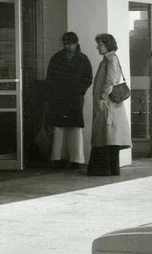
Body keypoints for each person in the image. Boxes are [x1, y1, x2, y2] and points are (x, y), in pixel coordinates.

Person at [44, 32, 92, 168]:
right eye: (65, 44)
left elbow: (88, 78)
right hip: (61, 96)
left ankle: (73, 159)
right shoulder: (77, 58)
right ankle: (61, 158)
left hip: (73, 97)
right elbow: (50, 79)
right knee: (61, 128)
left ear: (76, 43)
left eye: (69, 43)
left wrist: (79, 91)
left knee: (73, 128)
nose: (67, 46)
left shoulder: (80, 59)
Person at [89, 33, 131, 176]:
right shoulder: (108, 59)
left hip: (108, 104)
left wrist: (102, 97)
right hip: (109, 104)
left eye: (100, 44)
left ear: (107, 45)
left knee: (106, 136)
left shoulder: (110, 59)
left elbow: (110, 81)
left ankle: (103, 170)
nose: (97, 47)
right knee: (109, 137)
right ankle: (111, 169)